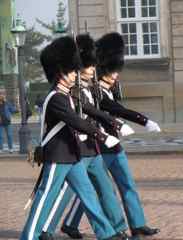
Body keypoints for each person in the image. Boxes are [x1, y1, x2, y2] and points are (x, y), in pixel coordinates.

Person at [58, 32, 161, 239]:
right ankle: (71, 224)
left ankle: (136, 223)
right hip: (98, 144)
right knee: (97, 190)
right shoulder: (88, 91)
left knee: (121, 185)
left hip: (110, 144)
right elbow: (113, 110)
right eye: (111, 70)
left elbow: (114, 107)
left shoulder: (103, 89)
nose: (115, 74)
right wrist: (142, 120)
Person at [20, 35, 124, 240]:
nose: (75, 74)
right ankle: (29, 236)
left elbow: (89, 109)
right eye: (71, 70)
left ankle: (107, 234)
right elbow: (75, 121)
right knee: (44, 197)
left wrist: (114, 122)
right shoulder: (55, 98)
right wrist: (102, 135)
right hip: (58, 156)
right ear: (61, 73)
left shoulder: (68, 95)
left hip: (72, 155)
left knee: (89, 196)